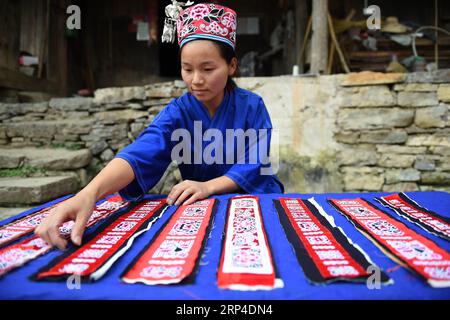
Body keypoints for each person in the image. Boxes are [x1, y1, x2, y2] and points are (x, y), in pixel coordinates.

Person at [35, 3, 284, 250]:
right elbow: (141, 152)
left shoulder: (252, 106)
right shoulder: (178, 112)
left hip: (252, 199)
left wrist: (208, 186)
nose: (196, 80)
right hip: (201, 208)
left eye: (208, 69)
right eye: (187, 69)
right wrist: (88, 194)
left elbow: (257, 162)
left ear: (231, 66)